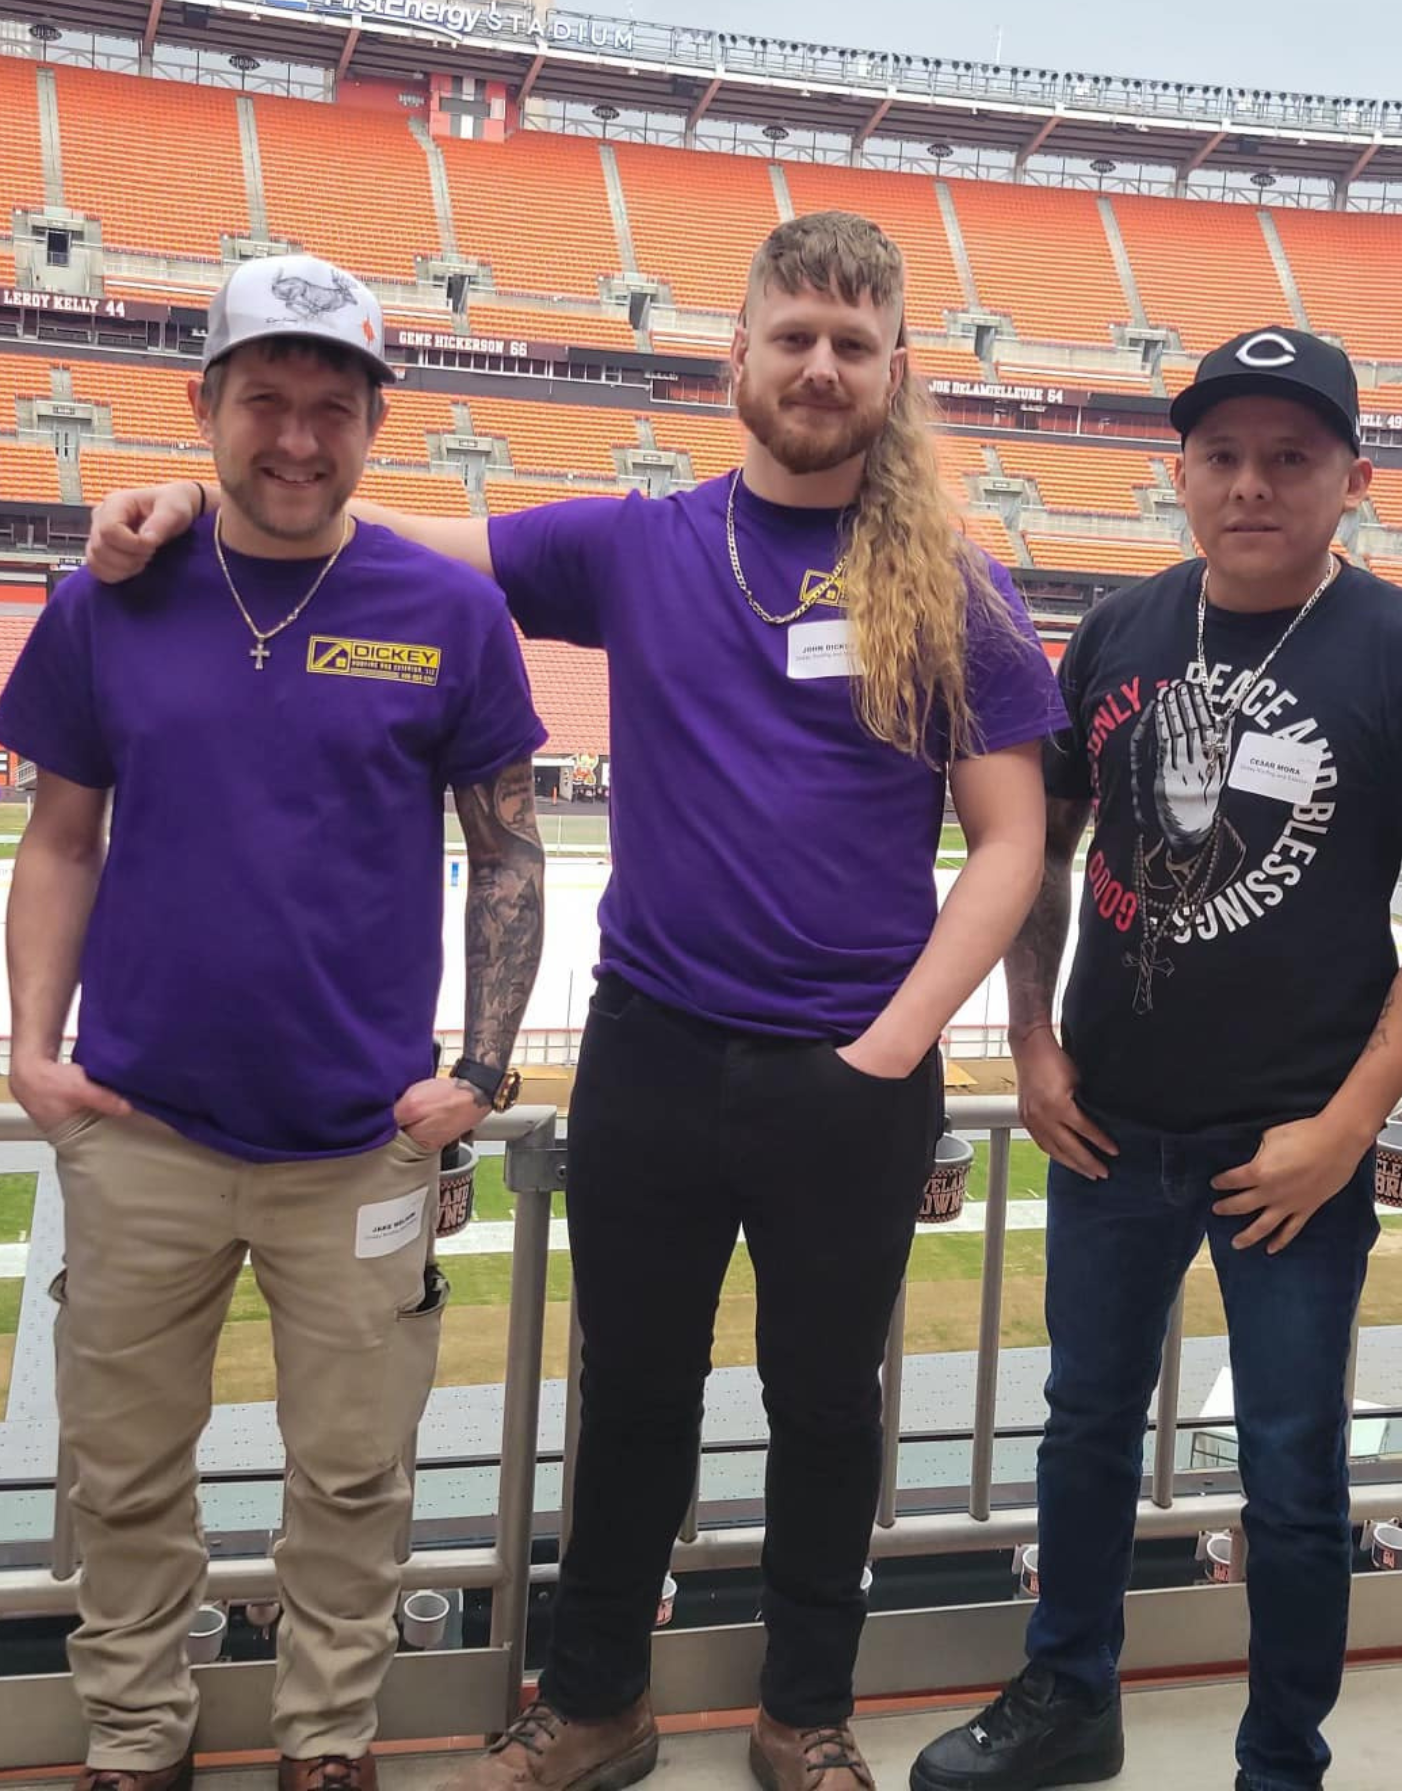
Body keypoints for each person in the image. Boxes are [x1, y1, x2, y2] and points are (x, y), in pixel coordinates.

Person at [88, 212, 1065, 1791]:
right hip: (655, 1050)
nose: (819, 367)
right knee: (631, 1403)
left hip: (852, 1072)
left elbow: (1012, 840)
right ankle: (595, 1704)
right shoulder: (638, 543)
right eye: (793, 335)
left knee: (826, 1411)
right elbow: (382, 531)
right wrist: (200, 494)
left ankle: (804, 1713)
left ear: (896, 375)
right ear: (732, 354)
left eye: (854, 345)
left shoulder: (954, 581)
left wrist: (888, 1049)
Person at [909, 329, 1402, 1791]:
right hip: (1109, 1119)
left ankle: (1281, 1760)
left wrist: (1347, 1130)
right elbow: (1040, 852)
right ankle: (1069, 1700)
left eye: (1291, 458)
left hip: (1289, 1145)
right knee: (1085, 1436)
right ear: (1177, 470)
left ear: (1353, 478)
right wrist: (1034, 1043)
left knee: (1295, 1477)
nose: (1252, 484)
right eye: (1223, 455)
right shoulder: (1119, 629)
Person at [9, 254, 547, 1791]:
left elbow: (507, 851)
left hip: (358, 1147)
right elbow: (59, 836)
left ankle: (326, 1739)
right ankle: (134, 1734)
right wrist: (31, 1048)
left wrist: (485, 1070)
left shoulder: (444, 611)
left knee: (355, 1475)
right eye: (265, 402)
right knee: (119, 1472)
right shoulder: (109, 597)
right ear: (205, 411)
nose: (297, 438)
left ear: (377, 426)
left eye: (331, 407)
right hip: (141, 1128)